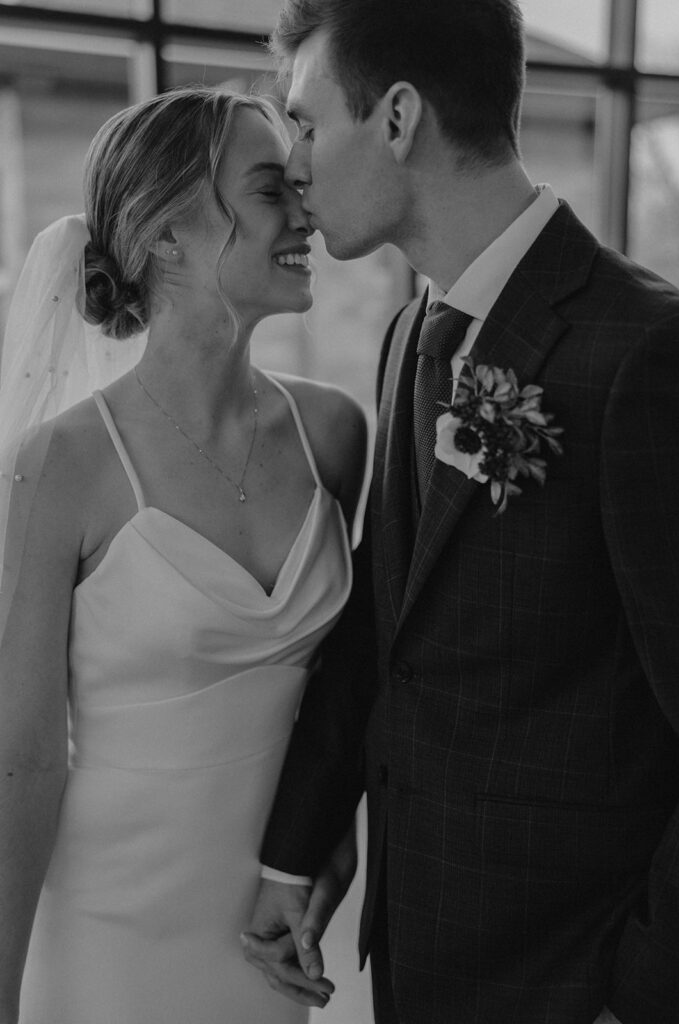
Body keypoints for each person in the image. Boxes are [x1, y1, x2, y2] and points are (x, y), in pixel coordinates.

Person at [241, 2, 679, 1022]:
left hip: (574, 978)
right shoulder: (410, 333)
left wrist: (641, 994)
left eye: (304, 121)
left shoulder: (644, 354)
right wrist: (293, 845)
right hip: (421, 960)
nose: (291, 163)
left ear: (396, 117)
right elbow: (386, 626)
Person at [0, 85, 367, 1024]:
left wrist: (326, 837)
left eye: (299, 185)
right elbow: (24, 760)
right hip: (107, 927)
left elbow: (342, 681)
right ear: (168, 233)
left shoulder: (333, 432)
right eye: (269, 192)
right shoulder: (63, 465)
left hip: (269, 923)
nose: (306, 214)